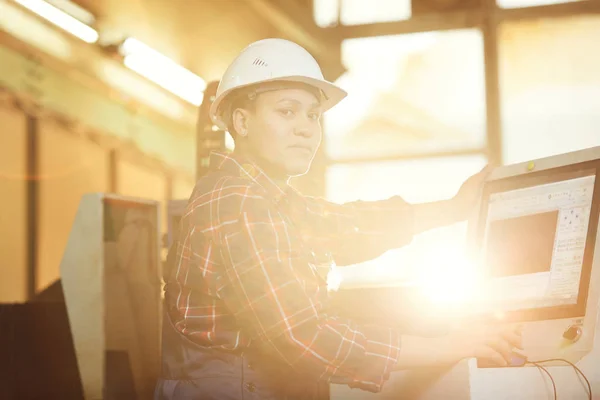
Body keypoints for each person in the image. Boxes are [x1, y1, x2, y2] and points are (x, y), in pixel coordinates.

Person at [155, 38, 522, 400]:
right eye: (287, 111)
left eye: (313, 115)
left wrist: (453, 209)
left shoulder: (270, 199)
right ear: (241, 121)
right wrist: (453, 344)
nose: (306, 128)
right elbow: (303, 336)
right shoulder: (237, 201)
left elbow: (345, 225)